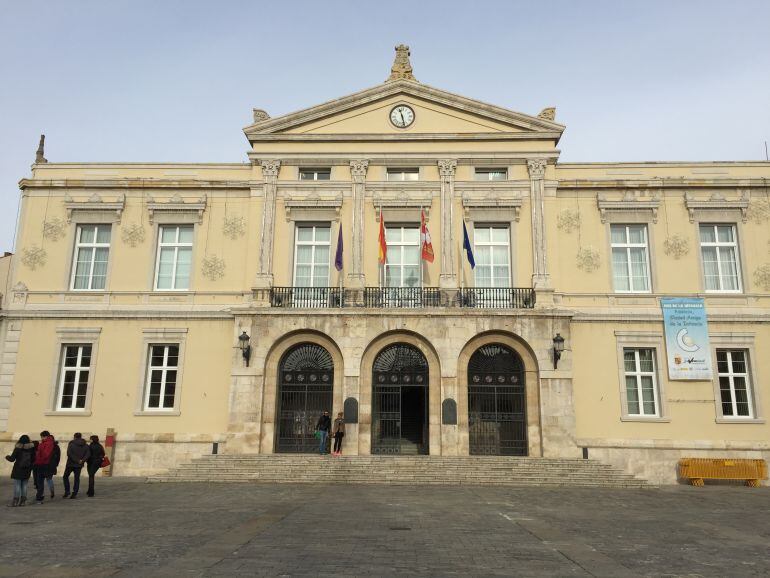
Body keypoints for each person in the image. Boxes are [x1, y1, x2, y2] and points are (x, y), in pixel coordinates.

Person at [5, 435, 35, 507]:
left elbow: (12, 459)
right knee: (24, 485)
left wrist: (7, 457)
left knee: (17, 485)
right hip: (27, 469)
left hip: (18, 469)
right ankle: (23, 502)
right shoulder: (32, 449)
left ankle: (15, 501)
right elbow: (33, 459)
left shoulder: (18, 448)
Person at [63, 432, 90, 499]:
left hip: (70, 464)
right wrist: (82, 460)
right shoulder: (86, 445)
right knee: (77, 478)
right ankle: (74, 493)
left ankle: (67, 491)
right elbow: (88, 454)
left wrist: (76, 460)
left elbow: (69, 453)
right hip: (79, 465)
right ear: (80, 437)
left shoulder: (71, 444)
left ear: (74, 437)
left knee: (65, 477)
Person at [33, 431, 55, 503]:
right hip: (41, 464)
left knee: (42, 481)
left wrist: (38, 459)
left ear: (45, 436)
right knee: (40, 481)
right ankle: (39, 496)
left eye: (42, 436)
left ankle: (40, 496)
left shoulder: (48, 443)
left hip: (44, 464)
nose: (41, 438)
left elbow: (45, 454)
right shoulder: (43, 443)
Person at [45, 435, 61, 500]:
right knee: (49, 479)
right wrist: (56, 464)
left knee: (41, 479)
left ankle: (40, 493)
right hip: (52, 464)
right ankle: (52, 491)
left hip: (44, 464)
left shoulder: (45, 445)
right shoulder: (56, 446)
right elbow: (58, 457)